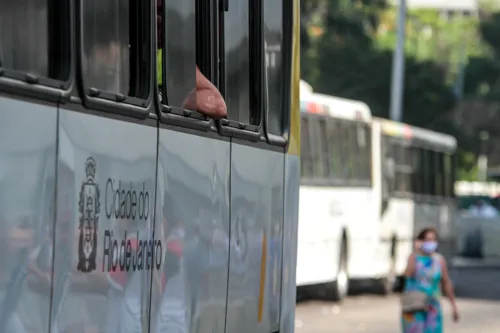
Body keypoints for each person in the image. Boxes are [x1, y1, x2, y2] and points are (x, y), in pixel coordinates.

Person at [156, 0, 227, 119]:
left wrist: (184, 106)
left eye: (160, 14)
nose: (157, 19)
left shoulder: (176, 59)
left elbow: (219, 105)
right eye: (155, 13)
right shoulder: (127, 51)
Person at [401, 227, 459, 333]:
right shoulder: (414, 257)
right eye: (427, 240)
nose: (430, 243)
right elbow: (407, 274)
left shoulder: (439, 260)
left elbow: (446, 282)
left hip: (433, 305)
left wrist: (453, 306)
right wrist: (416, 251)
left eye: (433, 240)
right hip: (414, 304)